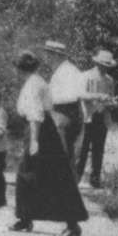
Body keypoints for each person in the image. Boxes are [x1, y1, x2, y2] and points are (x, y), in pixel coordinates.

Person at [11, 50, 88, 236]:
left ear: (20, 69)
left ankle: (72, 225)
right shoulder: (35, 81)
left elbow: (36, 115)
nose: (15, 72)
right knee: (34, 175)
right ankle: (25, 218)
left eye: (16, 68)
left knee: (46, 175)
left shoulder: (33, 85)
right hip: (43, 131)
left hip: (40, 133)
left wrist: (35, 141)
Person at [41, 40, 84, 182]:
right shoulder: (61, 71)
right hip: (61, 113)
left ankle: (67, 184)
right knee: (62, 152)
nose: (46, 58)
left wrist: (49, 100)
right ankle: (65, 183)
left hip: (65, 114)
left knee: (63, 152)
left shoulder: (69, 71)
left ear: (56, 55)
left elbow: (73, 96)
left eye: (48, 54)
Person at [77, 49, 118, 189]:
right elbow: (81, 94)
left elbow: (111, 98)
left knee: (98, 149)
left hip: (102, 116)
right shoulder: (86, 76)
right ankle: (76, 178)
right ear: (97, 63)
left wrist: (112, 103)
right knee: (82, 149)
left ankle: (95, 180)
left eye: (107, 66)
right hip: (87, 116)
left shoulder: (109, 80)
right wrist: (98, 96)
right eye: (103, 65)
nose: (105, 68)